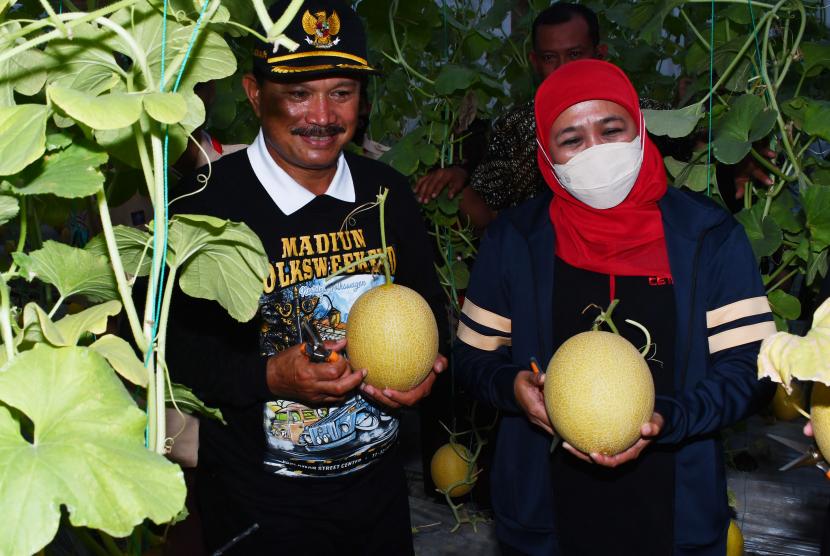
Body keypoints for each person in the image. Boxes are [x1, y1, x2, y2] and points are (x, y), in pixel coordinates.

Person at [453, 59, 776, 555]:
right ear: (546, 151)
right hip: (546, 516)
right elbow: (472, 360)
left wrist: (671, 417)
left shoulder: (707, 237)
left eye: (611, 129)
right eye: (572, 139)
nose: (596, 152)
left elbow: (749, 368)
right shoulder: (515, 240)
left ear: (640, 129)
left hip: (675, 517)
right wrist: (511, 387)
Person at [164, 1, 447, 553]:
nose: (322, 115)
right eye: (298, 93)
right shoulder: (204, 208)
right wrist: (268, 378)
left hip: (379, 504)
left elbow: (429, 305)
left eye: (340, 92)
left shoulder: (387, 194)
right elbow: (175, 353)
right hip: (259, 513)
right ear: (253, 93)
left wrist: (426, 367)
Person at [414, 3, 776, 231]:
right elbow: (489, 210)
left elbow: (702, 153)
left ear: (600, 54)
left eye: (575, 53)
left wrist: (734, 162)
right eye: (550, 58)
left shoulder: (646, 114)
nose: (563, 69)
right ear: (535, 62)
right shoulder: (516, 126)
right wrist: (457, 182)